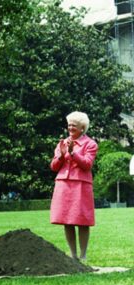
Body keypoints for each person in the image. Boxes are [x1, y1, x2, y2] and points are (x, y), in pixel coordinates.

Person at [50, 111, 98, 262]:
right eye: (69, 125)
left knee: (82, 220)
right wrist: (60, 155)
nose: (70, 128)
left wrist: (72, 153)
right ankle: (73, 255)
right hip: (63, 184)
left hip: (81, 186)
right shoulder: (62, 143)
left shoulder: (91, 144)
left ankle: (83, 256)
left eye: (74, 126)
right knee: (67, 220)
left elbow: (87, 165)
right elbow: (53, 167)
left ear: (82, 127)